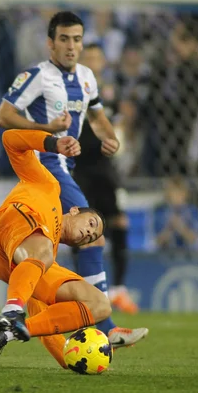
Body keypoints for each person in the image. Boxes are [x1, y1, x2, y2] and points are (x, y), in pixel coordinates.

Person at [0, 11, 147, 347]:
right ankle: (106, 325)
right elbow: (3, 117)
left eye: (77, 39)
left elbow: (96, 115)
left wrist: (110, 136)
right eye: (64, 39)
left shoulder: (86, 78)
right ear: (51, 43)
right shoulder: (36, 75)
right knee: (92, 235)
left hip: (67, 167)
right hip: (45, 164)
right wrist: (48, 130)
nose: (71, 46)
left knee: (21, 251)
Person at [0, 128, 113, 365]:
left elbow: (47, 323)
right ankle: (11, 312)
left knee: (100, 305)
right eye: (91, 224)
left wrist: (69, 360)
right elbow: (10, 139)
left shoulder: (45, 259)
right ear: (75, 209)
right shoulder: (48, 185)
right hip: (8, 225)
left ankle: (8, 330)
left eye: (90, 237)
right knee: (42, 253)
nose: (88, 233)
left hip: (14, 262)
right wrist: (53, 144)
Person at [75, 44, 138, 314]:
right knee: (81, 231)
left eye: (96, 58)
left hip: (106, 168)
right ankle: (84, 290)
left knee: (119, 221)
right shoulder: (72, 91)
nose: (92, 62)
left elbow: (120, 123)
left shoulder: (110, 92)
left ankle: (120, 290)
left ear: (103, 62)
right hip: (80, 168)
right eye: (87, 58)